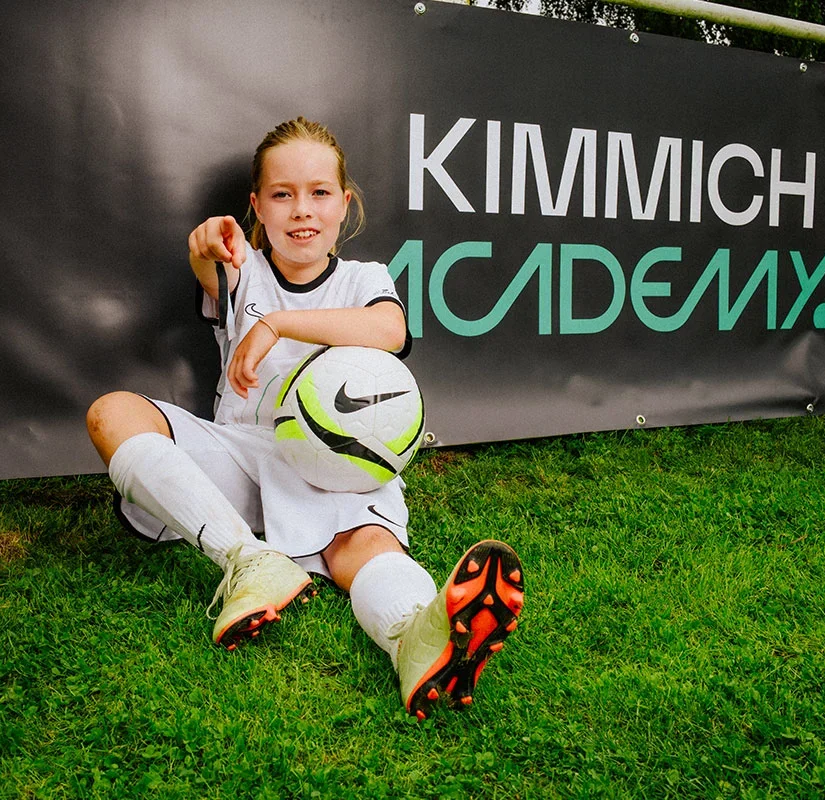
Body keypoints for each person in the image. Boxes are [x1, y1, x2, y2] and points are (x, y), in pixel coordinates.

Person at [85, 116, 524, 720]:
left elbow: (389, 331)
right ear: (256, 207)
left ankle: (415, 639)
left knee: (367, 548)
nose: (301, 211)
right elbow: (203, 256)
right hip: (242, 454)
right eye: (281, 195)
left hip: (334, 469)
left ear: (345, 206)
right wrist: (207, 242)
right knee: (113, 412)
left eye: (319, 193)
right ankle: (248, 560)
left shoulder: (362, 279)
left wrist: (277, 325)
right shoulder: (243, 272)